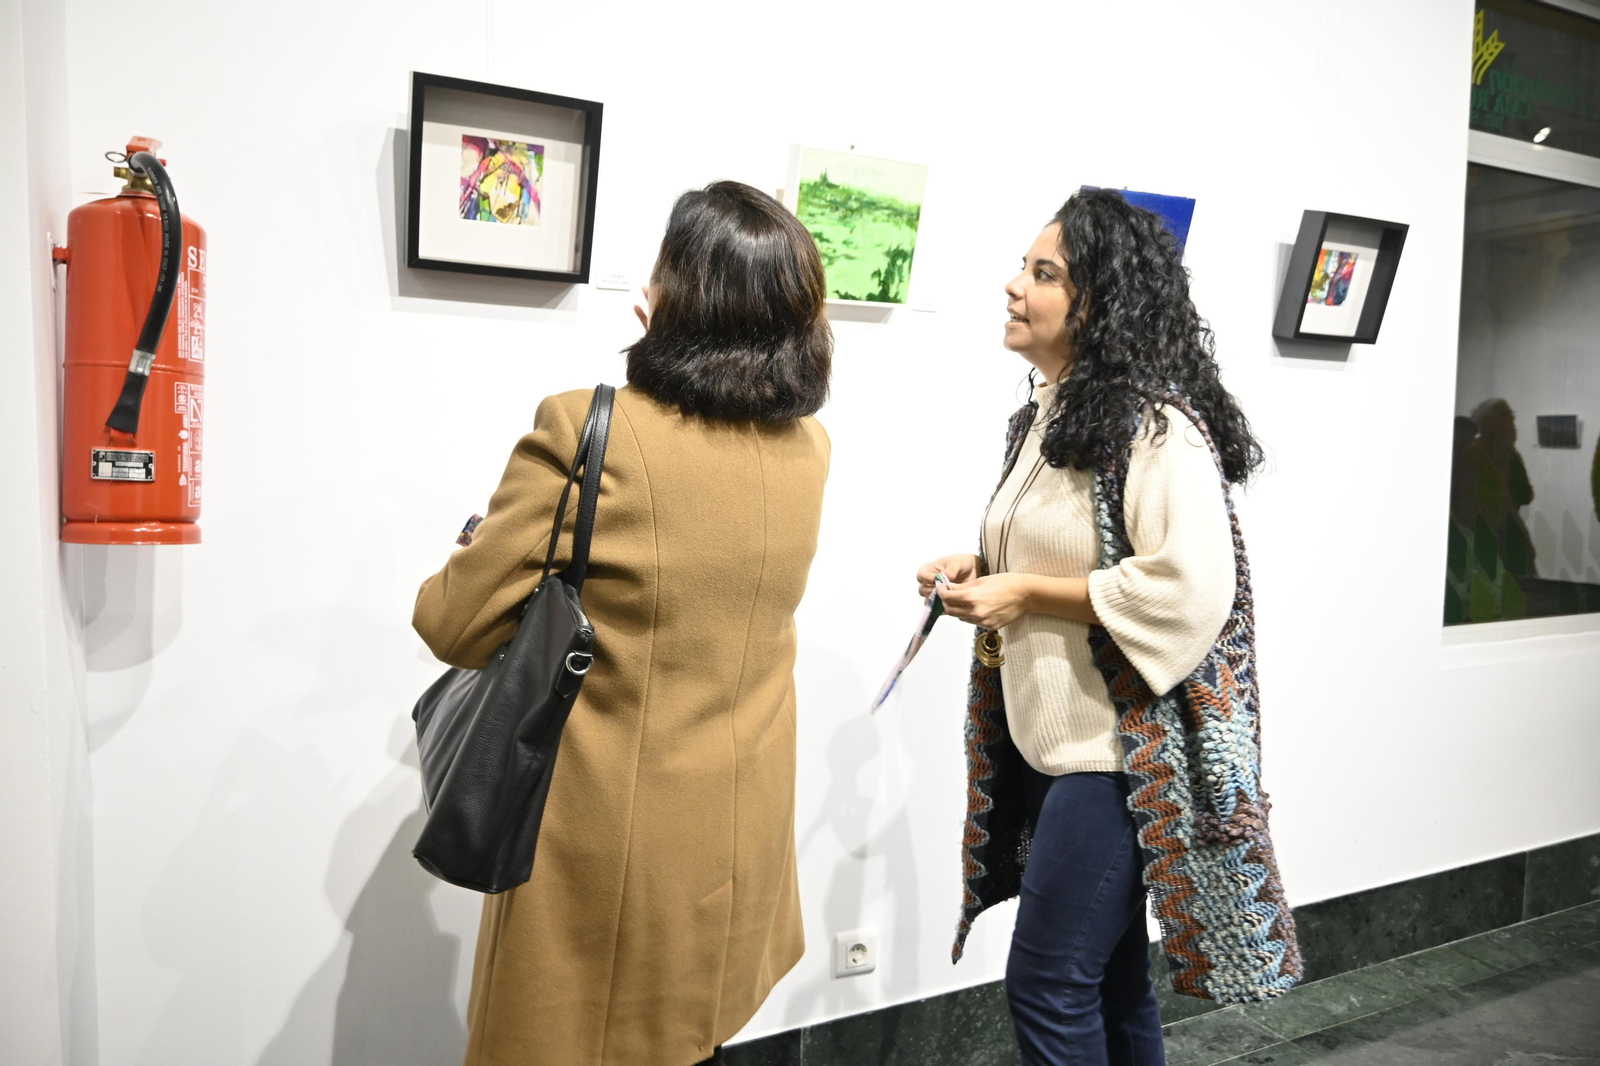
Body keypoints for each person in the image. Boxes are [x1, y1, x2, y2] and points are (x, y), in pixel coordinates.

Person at [413, 181, 833, 1066]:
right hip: (735, 838)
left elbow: (452, 624)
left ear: (679, 297)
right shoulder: (808, 450)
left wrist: (479, 543)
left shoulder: (586, 429)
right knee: (691, 1039)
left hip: (606, 851)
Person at [918, 189, 1267, 1065]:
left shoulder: (1159, 429)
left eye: (1043, 275)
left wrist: (1027, 592)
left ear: (1098, 303)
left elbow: (1188, 589)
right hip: (1050, 748)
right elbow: (1065, 544)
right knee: (1109, 984)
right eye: (1024, 268)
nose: (1013, 287)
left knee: (1047, 985)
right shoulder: (1043, 416)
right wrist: (982, 565)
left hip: (1115, 760)